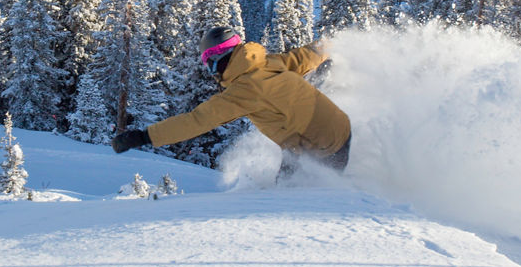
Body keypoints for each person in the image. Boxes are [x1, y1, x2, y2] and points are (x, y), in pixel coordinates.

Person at [111, 26, 352, 177]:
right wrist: (333, 44)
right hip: (341, 128)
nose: (210, 70)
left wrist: (144, 136)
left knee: (289, 199)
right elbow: (305, 56)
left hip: (320, 149)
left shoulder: (243, 90)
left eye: (208, 62)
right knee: (291, 172)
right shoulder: (269, 62)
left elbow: (195, 121)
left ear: (219, 59)